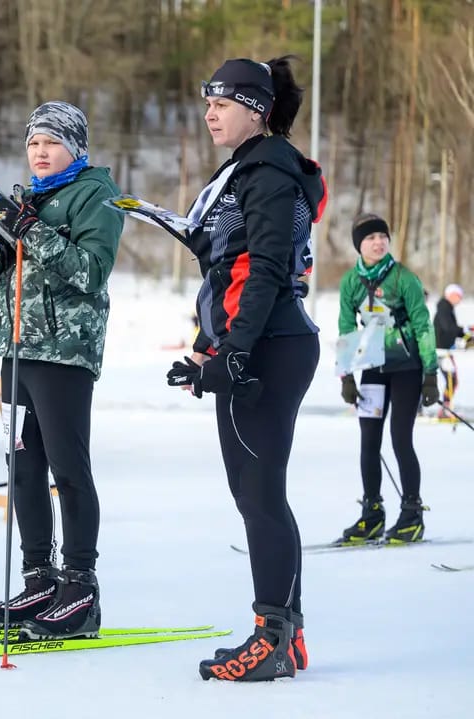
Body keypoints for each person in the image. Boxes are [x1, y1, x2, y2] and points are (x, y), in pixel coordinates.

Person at [165, 57, 325, 681]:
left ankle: (273, 638)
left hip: (271, 345)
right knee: (261, 496)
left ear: (256, 111)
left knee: (259, 498)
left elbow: (264, 270)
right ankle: (289, 634)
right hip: (265, 341)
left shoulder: (264, 169)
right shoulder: (251, 168)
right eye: (207, 102)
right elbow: (229, 264)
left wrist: (234, 351)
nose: (210, 114)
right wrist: (213, 342)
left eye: (223, 103)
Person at [0, 101, 122, 640]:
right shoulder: (26, 199)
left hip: (64, 350)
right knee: (23, 464)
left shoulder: (96, 195)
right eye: (34, 143)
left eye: (51, 143)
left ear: (75, 148)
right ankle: (39, 577)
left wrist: (32, 231)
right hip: (15, 347)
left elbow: (91, 272)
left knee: (66, 464)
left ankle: (80, 587)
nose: (40, 152)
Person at [338, 213, 439, 545]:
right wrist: (347, 377)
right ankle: (372, 514)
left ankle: (412, 515)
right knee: (369, 442)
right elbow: (346, 327)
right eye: (370, 238)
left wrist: (430, 375)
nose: (378, 242)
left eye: (383, 236)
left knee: (400, 439)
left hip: (407, 368)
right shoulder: (351, 282)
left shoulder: (403, 278)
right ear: (359, 245)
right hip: (372, 368)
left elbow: (424, 327)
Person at [433, 283, 471, 417]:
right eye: (458, 295)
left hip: (445, 351)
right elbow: (449, 328)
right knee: (451, 380)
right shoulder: (444, 307)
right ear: (451, 295)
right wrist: (465, 330)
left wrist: (466, 333)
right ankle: (445, 409)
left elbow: (451, 330)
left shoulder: (446, 308)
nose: (460, 298)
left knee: (452, 380)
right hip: (442, 352)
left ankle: (445, 407)